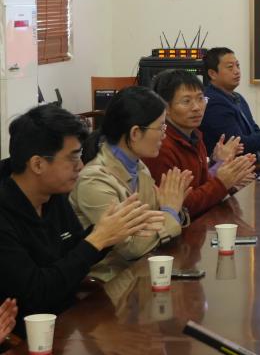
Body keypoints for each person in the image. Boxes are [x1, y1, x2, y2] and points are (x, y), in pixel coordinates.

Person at [0, 105, 163, 332]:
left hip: (68, 322)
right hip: (28, 335)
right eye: (73, 158)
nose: (81, 166)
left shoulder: (53, 195)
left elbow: (73, 254)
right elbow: (36, 293)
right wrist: (97, 239)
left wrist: (113, 231)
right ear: (37, 164)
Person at [71, 87, 194, 280]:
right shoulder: (94, 180)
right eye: (160, 128)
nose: (164, 135)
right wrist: (170, 212)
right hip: (109, 282)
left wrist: (172, 209)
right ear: (135, 133)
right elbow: (130, 247)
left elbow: (151, 226)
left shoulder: (139, 167)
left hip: (141, 273)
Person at [149, 69, 257, 218]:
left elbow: (202, 187)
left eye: (200, 99)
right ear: (166, 108)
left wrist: (231, 181)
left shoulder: (195, 135)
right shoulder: (161, 146)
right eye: (186, 101)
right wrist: (222, 183)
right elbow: (182, 207)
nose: (196, 107)